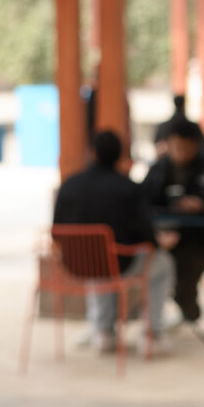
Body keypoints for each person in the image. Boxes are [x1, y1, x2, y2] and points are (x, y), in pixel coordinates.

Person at [52, 130, 175, 354]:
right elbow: (146, 236)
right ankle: (152, 334)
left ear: (93, 152)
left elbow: (56, 230)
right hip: (120, 263)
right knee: (161, 262)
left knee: (96, 257)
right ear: (121, 156)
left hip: (76, 263)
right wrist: (160, 242)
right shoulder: (128, 187)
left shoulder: (70, 184)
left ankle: (103, 331)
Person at [141, 117, 204, 327]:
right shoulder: (159, 170)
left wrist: (203, 206)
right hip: (165, 237)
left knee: (187, 261)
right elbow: (141, 205)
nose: (180, 153)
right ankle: (149, 320)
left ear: (196, 145)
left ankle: (186, 307)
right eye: (175, 147)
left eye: (185, 148)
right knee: (148, 262)